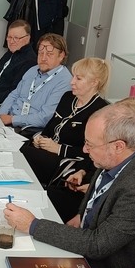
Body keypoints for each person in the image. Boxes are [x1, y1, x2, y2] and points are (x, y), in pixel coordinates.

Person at [3, 102, 135, 268]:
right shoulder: (124, 155)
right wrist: (82, 215)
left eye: (89, 144)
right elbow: (102, 186)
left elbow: (97, 245)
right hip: (99, 248)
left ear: (118, 146)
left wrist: (32, 225)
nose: (85, 150)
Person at [48, 96, 135, 222]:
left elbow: (119, 187)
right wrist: (82, 172)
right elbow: (95, 164)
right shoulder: (111, 148)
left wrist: (93, 190)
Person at [22, 57, 110, 187]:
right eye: (73, 77)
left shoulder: (100, 110)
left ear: (94, 82)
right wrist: (40, 138)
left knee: (22, 153)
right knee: (19, 147)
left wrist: (60, 149)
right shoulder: (67, 97)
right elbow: (50, 126)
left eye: (78, 79)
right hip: (45, 152)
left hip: (68, 162)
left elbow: (93, 152)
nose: (72, 82)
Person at [0, 33, 72, 132]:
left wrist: (12, 119)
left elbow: (45, 118)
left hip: (27, 128)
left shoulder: (65, 81)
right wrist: (0, 115)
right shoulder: (33, 70)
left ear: (61, 56)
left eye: (49, 54)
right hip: (8, 120)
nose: (43, 58)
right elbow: (14, 95)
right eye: (40, 53)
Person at [0, 20, 37, 107]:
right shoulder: (11, 52)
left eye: (16, 38)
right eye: (9, 37)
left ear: (28, 38)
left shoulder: (29, 62)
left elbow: (14, 93)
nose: (11, 41)